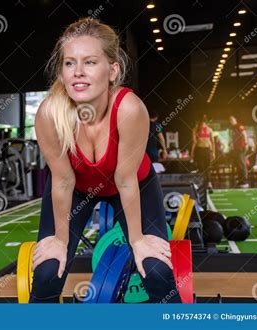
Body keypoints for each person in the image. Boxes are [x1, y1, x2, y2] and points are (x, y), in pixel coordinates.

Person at [31, 18, 180, 303]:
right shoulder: (50, 114)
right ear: (61, 73)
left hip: (133, 184)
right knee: (48, 270)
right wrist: (60, 241)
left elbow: (125, 180)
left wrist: (138, 241)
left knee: (156, 270)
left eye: (90, 62)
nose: (78, 72)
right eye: (69, 63)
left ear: (112, 71)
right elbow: (63, 180)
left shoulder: (130, 109)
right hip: (74, 188)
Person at [190, 115, 215, 191]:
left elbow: (212, 142)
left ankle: (209, 183)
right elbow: (194, 143)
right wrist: (192, 154)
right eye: (202, 121)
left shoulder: (209, 130)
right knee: (201, 168)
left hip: (207, 150)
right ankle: (204, 184)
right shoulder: (195, 129)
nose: (203, 123)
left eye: (204, 121)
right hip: (199, 150)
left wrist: (213, 152)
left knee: (207, 168)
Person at [228, 115, 249, 188]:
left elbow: (244, 134)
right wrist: (231, 144)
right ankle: (241, 180)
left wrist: (246, 143)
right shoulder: (233, 128)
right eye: (230, 120)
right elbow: (233, 138)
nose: (231, 121)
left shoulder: (239, 126)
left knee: (241, 164)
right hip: (236, 148)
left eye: (232, 119)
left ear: (235, 119)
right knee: (238, 164)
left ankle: (245, 181)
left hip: (241, 147)